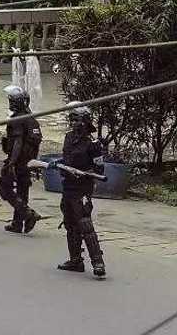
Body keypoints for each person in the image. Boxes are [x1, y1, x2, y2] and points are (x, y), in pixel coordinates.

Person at [53, 105, 106, 278]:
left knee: (84, 223)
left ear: (85, 122)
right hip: (67, 186)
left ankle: (98, 262)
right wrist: (58, 163)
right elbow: (67, 158)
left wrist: (87, 173)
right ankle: (75, 260)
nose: (73, 123)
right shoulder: (68, 138)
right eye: (72, 120)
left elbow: (100, 170)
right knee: (70, 223)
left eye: (77, 120)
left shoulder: (93, 144)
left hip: (82, 188)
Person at [0, 85, 43, 234]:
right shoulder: (31, 119)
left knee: (4, 188)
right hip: (28, 161)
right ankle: (17, 223)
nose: (9, 102)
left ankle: (28, 214)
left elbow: (18, 142)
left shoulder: (18, 119)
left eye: (11, 100)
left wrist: (11, 162)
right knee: (22, 192)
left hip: (18, 161)